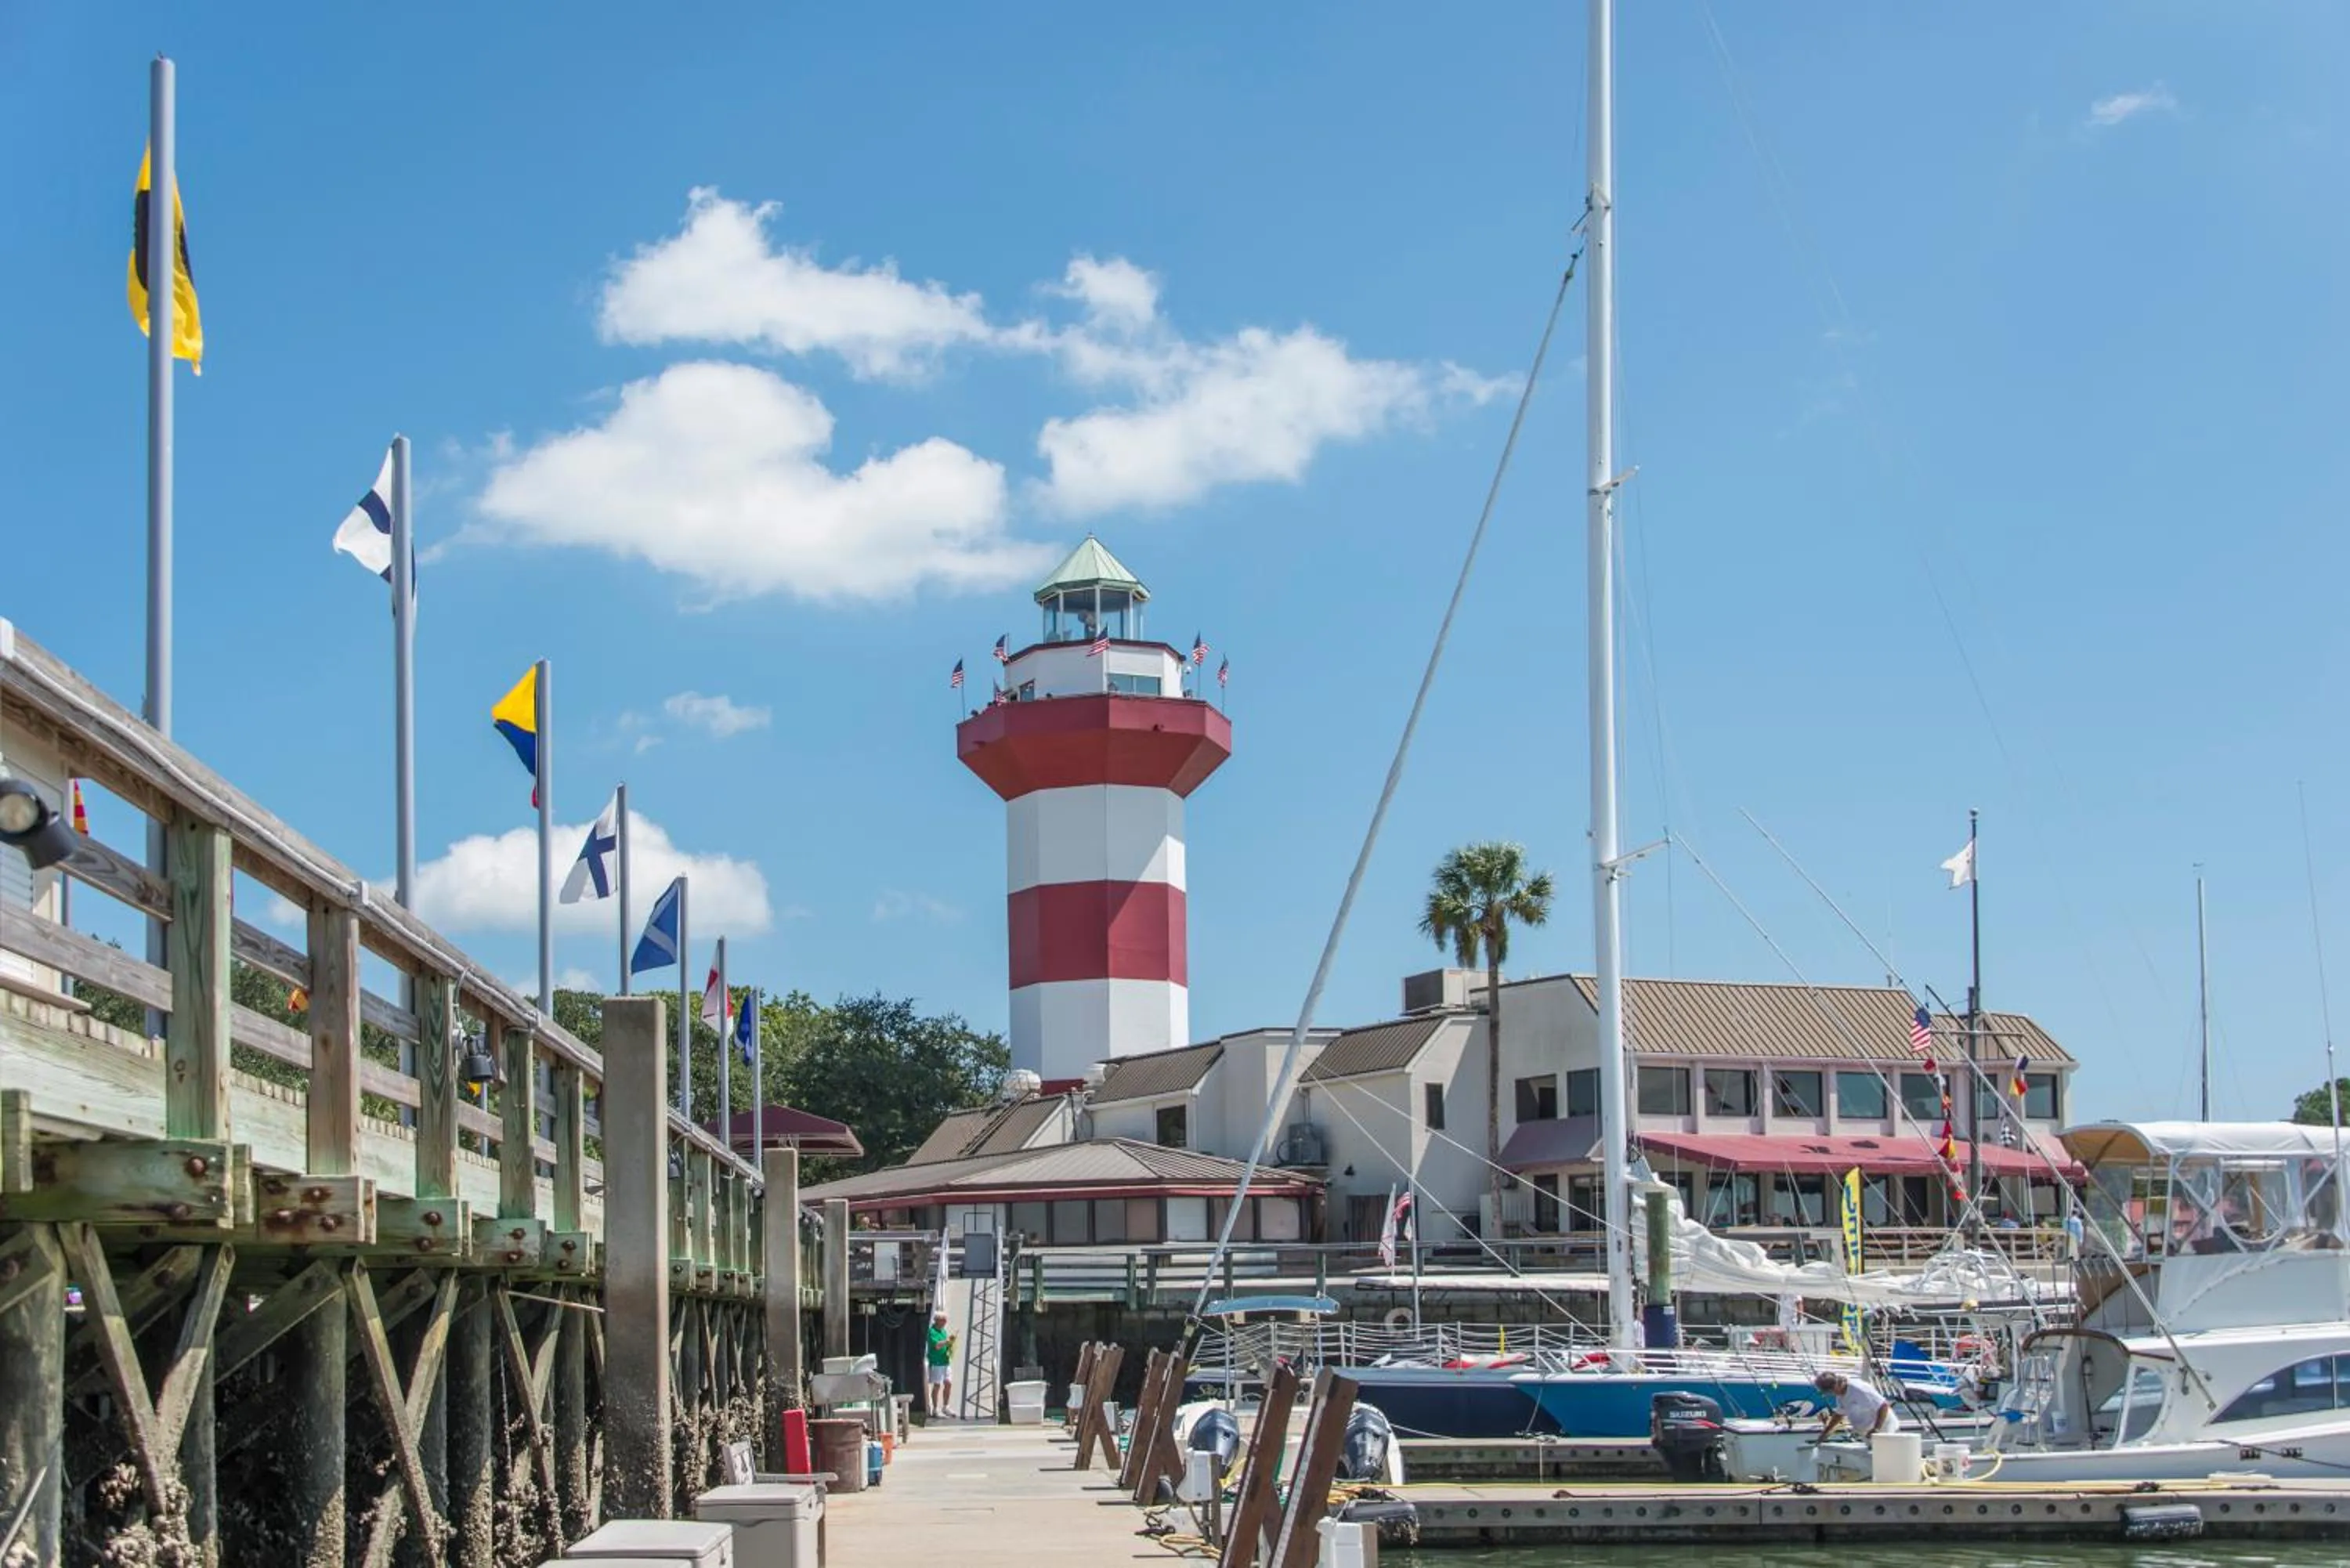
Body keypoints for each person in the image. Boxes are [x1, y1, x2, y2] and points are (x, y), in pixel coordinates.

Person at [1812, 1371, 1897, 1443]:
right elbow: (1839, 1415)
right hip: (1867, 1433)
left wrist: (1876, 1428)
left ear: (1836, 1385)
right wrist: (1825, 1433)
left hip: (1883, 1429)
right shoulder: (1840, 1395)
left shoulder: (1858, 1389)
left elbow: (1883, 1406)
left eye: (1830, 1391)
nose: (1831, 1394)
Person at [925, 1310, 956, 1418]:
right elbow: (937, 1345)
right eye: (943, 1320)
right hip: (936, 1362)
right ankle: (935, 1408)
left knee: (948, 1383)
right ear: (937, 1320)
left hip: (945, 1361)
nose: (945, 1322)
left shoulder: (943, 1331)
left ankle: (946, 1406)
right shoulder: (932, 1332)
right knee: (937, 1385)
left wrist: (950, 1344)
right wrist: (946, 1341)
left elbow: (946, 1344)